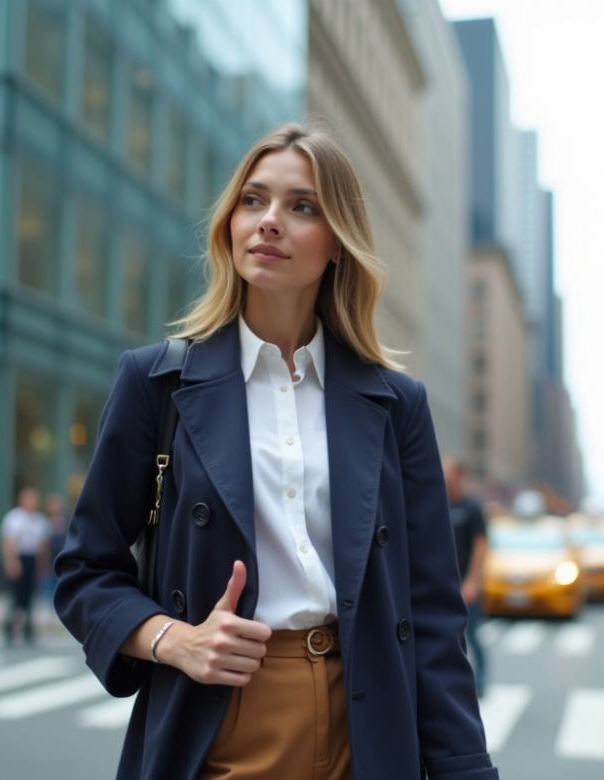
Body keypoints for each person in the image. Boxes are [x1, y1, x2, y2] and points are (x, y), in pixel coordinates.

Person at [55, 124, 495, 780]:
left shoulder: (397, 406)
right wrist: (174, 641)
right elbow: (85, 569)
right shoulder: (157, 384)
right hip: (222, 717)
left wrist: (466, 770)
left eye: (302, 207)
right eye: (253, 201)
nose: (269, 222)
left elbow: (431, 615)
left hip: (368, 726)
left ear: (339, 245)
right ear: (229, 225)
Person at [443, 456, 488, 697]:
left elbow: (481, 545)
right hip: (443, 584)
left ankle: (481, 681)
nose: (441, 474)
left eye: (446, 471)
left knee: (473, 634)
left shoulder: (471, 507)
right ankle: (455, 682)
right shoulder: (437, 504)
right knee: (448, 635)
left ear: (459, 476)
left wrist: (472, 581)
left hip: (466, 584)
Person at [0, 487, 51, 645]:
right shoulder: (14, 518)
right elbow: (8, 542)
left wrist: (43, 566)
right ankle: (9, 628)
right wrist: (11, 561)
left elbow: (44, 545)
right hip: (19, 557)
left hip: (32, 558)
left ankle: (28, 629)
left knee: (31, 597)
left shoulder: (40, 520)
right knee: (16, 596)